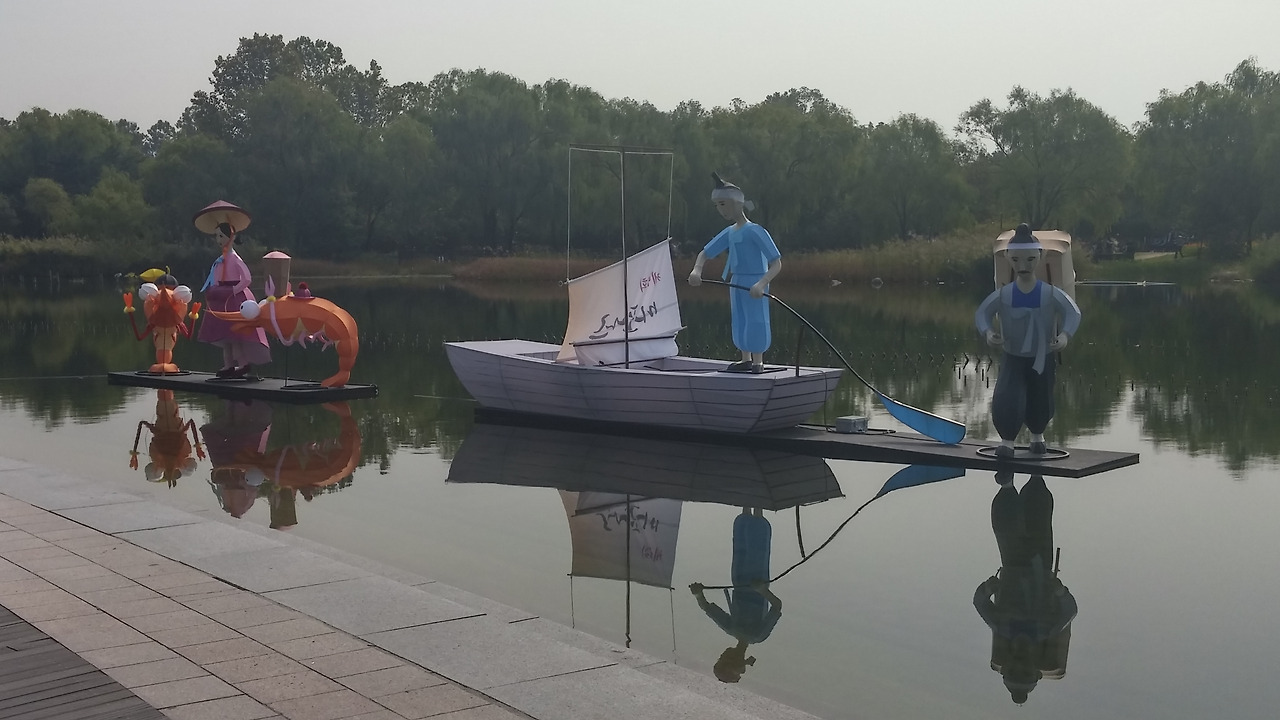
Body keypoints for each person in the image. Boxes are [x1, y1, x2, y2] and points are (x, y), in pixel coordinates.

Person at [975, 223, 1081, 456]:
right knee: (1007, 395)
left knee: (1041, 397)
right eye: (1017, 260)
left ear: (1040, 257)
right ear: (1008, 258)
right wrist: (988, 332)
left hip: (1042, 355)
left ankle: (1037, 436)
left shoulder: (1050, 293)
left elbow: (1072, 312)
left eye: (1030, 260)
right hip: (1013, 355)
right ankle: (1007, 441)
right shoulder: (1004, 294)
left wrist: (1065, 335)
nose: (1023, 266)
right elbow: (982, 313)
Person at [974, 472, 1077, 705]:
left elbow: (979, 602)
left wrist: (988, 588)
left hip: (1012, 563)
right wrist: (1060, 591)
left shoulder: (1002, 626)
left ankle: (1007, 484)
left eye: (1014, 671)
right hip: (1041, 565)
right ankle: (1036, 474)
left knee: (1004, 525)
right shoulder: (1047, 630)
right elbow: (1070, 611)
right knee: (1038, 514)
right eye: (1025, 671)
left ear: (1006, 666)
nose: (1020, 665)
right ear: (1035, 669)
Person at [688, 173, 782, 373]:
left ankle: (758, 361)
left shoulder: (755, 231)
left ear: (737, 203)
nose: (720, 209)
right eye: (717, 206)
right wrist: (697, 269)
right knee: (739, 319)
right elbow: (705, 252)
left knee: (756, 319)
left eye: (723, 204)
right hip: (736, 281)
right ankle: (745, 358)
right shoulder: (730, 232)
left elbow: (776, 263)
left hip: (755, 281)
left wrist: (762, 283)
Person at [689, 508, 782, 683]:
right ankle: (754, 506)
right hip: (756, 579)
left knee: (742, 545)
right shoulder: (757, 635)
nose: (722, 654)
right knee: (756, 545)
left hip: (739, 580)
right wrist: (762, 590)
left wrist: (699, 594)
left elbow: (707, 608)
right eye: (723, 658)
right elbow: (777, 606)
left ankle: (749, 506)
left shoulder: (733, 629)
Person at [198, 221, 270, 378]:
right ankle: (228, 365)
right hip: (222, 296)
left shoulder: (235, 258)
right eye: (217, 236)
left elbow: (247, 278)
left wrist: (233, 290)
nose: (219, 240)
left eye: (221, 236)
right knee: (225, 335)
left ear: (231, 237)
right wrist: (214, 290)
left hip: (234, 298)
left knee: (235, 335)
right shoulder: (220, 260)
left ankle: (243, 364)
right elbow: (215, 278)